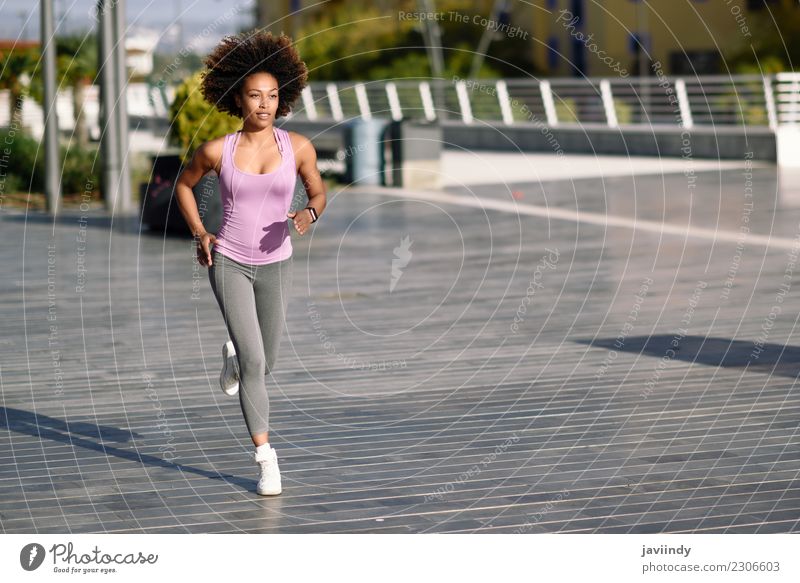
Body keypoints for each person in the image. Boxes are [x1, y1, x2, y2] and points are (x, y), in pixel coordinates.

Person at [175, 30, 326, 496]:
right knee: (257, 362)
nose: (264, 104)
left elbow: (319, 190)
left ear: (282, 100)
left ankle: (234, 358)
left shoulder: (297, 146)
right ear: (237, 99)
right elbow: (183, 186)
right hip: (231, 262)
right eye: (254, 96)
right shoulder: (217, 151)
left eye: (272, 95)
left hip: (277, 262)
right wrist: (202, 233)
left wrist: (310, 211)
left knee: (267, 361)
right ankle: (266, 459)